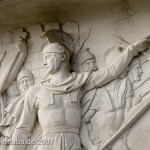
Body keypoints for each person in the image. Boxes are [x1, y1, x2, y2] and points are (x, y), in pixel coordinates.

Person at [10, 29, 150, 150]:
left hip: (74, 143)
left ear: (63, 56)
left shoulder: (80, 81)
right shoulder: (36, 91)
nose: (44, 62)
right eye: (43, 58)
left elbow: (112, 71)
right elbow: (22, 129)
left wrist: (133, 49)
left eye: (48, 56)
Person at [80, 46, 134, 150]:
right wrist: (90, 146)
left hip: (119, 139)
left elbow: (128, 114)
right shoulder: (96, 92)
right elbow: (80, 122)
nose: (127, 68)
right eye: (124, 66)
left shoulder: (126, 83)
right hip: (99, 143)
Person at [0, 69, 34, 149]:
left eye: (27, 80)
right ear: (19, 86)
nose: (25, 84)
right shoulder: (16, 103)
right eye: (22, 82)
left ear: (33, 81)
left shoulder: (36, 96)